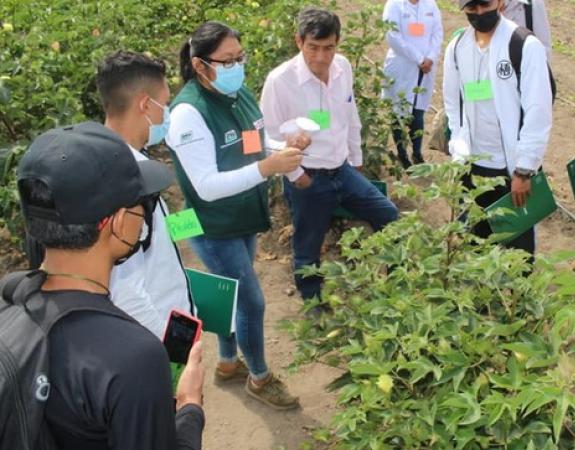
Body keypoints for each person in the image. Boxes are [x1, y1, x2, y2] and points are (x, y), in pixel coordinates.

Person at [17, 122, 205, 449]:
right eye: (142, 206)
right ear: (118, 222)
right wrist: (189, 407)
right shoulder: (134, 358)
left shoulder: (10, 305)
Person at [166, 21, 303, 409]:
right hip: (211, 223)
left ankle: (227, 362)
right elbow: (206, 186)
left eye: (240, 58)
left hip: (242, 213)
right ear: (199, 65)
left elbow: (252, 141)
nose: (237, 67)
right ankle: (259, 377)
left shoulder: (236, 93)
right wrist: (267, 168)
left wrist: (282, 145)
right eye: (227, 61)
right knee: (251, 301)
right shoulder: (188, 114)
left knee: (228, 290)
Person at [260, 8, 399, 307]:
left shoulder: (343, 68)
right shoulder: (280, 81)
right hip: (307, 175)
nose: (322, 57)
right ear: (299, 41)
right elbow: (267, 137)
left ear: (337, 43)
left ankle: (398, 285)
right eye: (313, 47)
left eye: (329, 48)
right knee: (308, 247)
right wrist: (297, 176)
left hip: (343, 170)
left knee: (389, 216)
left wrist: (356, 160)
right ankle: (313, 304)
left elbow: (350, 115)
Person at [93, 50, 194, 338]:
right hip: (154, 333)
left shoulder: (109, 160)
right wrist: (170, 347)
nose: (167, 113)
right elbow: (126, 293)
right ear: (145, 105)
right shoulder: (127, 182)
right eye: (165, 103)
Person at [443, 0, 552, 254]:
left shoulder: (524, 45)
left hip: (510, 171)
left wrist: (524, 170)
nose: (480, 13)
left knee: (517, 253)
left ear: (500, 3)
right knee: (475, 246)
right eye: (472, 8)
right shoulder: (457, 48)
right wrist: (458, 151)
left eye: (485, 4)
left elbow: (538, 112)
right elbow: (453, 105)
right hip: (474, 167)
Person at [381, 0, 444, 168]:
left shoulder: (430, 4)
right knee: (399, 111)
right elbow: (393, 36)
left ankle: (417, 153)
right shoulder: (394, 5)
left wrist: (430, 57)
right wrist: (419, 58)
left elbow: (437, 33)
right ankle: (402, 154)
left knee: (418, 110)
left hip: (426, 67)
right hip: (402, 66)